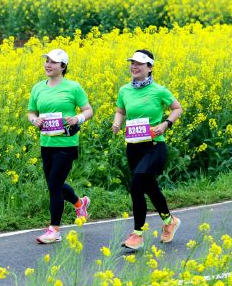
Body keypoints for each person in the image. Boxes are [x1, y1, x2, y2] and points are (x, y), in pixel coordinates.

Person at [111, 49, 183, 250]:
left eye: (139, 64)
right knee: (150, 187)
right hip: (133, 146)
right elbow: (121, 111)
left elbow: (178, 108)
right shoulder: (125, 90)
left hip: (154, 146)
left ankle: (137, 234)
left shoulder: (159, 90)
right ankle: (169, 222)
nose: (134, 67)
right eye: (132, 63)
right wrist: (117, 124)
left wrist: (166, 124)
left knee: (136, 187)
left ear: (149, 67)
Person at [27, 48, 94, 244]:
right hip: (46, 142)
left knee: (54, 185)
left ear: (63, 66)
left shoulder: (73, 87)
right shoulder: (38, 88)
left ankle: (54, 229)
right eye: (46, 60)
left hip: (66, 143)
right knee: (53, 183)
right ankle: (80, 203)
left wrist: (78, 118)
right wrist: (34, 121)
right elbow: (31, 112)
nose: (48, 64)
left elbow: (88, 110)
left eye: (53, 62)